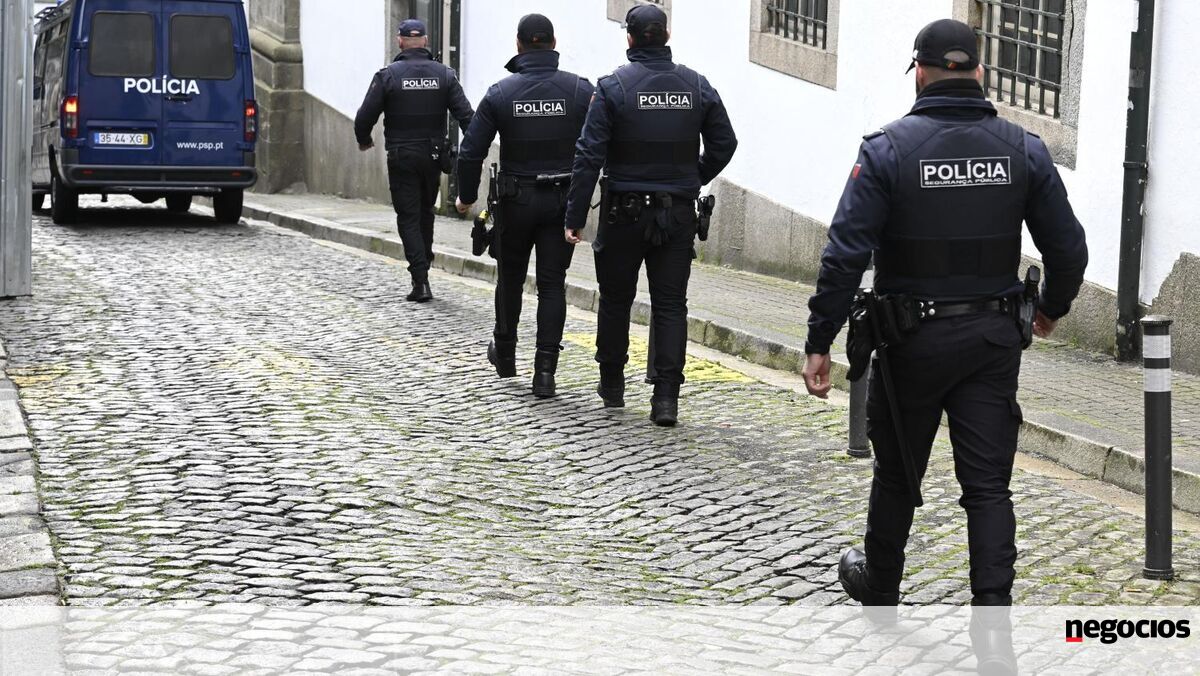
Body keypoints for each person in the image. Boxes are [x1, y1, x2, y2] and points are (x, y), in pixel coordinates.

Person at [802, 19, 1088, 609]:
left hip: (912, 342)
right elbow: (1069, 248)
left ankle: (881, 584)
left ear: (920, 74)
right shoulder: (1024, 149)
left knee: (897, 471)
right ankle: (993, 616)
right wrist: (1051, 308)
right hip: (991, 340)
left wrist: (819, 340)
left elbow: (844, 254)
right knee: (988, 487)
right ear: (979, 72)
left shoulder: (887, 150)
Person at [563, 4, 737, 426]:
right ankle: (666, 399)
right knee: (671, 304)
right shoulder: (697, 85)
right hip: (676, 213)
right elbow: (725, 143)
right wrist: (692, 178)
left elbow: (589, 154)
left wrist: (575, 215)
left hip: (623, 212)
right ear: (667, 35)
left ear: (630, 38)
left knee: (616, 299)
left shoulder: (613, 87)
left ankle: (612, 385)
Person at [455, 14, 592, 398]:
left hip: (515, 201)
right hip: (561, 200)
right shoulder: (580, 90)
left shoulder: (501, 92)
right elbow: (599, 142)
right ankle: (545, 371)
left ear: (518, 45)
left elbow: (471, 151)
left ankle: (505, 354)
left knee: (510, 278)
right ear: (553, 43)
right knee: (552, 285)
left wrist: (466, 196)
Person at [355, 19, 473, 303]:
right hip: (433, 157)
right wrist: (473, 150)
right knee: (425, 212)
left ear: (400, 41)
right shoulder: (444, 75)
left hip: (402, 157)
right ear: (426, 41)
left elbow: (364, 116)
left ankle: (420, 280)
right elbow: (468, 117)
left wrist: (364, 139)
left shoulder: (388, 76)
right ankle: (424, 262)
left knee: (408, 217)